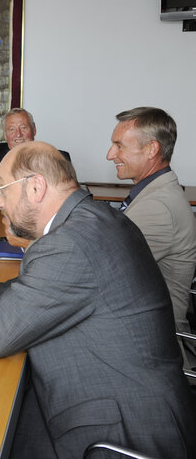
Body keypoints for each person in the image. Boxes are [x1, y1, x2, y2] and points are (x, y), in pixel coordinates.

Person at [0, 141, 196, 458]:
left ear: (36, 187)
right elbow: (39, 282)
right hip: (111, 392)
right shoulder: (91, 219)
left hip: (116, 431)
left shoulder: (71, 243)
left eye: (2, 189)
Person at [106, 106, 196, 370]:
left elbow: (99, 271)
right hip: (137, 321)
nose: (110, 154)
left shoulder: (158, 206)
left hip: (150, 341)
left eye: (119, 145)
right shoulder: (153, 191)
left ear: (151, 150)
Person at [0, 108, 71, 207]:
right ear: (5, 135)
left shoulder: (58, 159)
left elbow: (66, 200)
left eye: (23, 127)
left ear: (34, 129)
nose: (18, 134)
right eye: (11, 129)